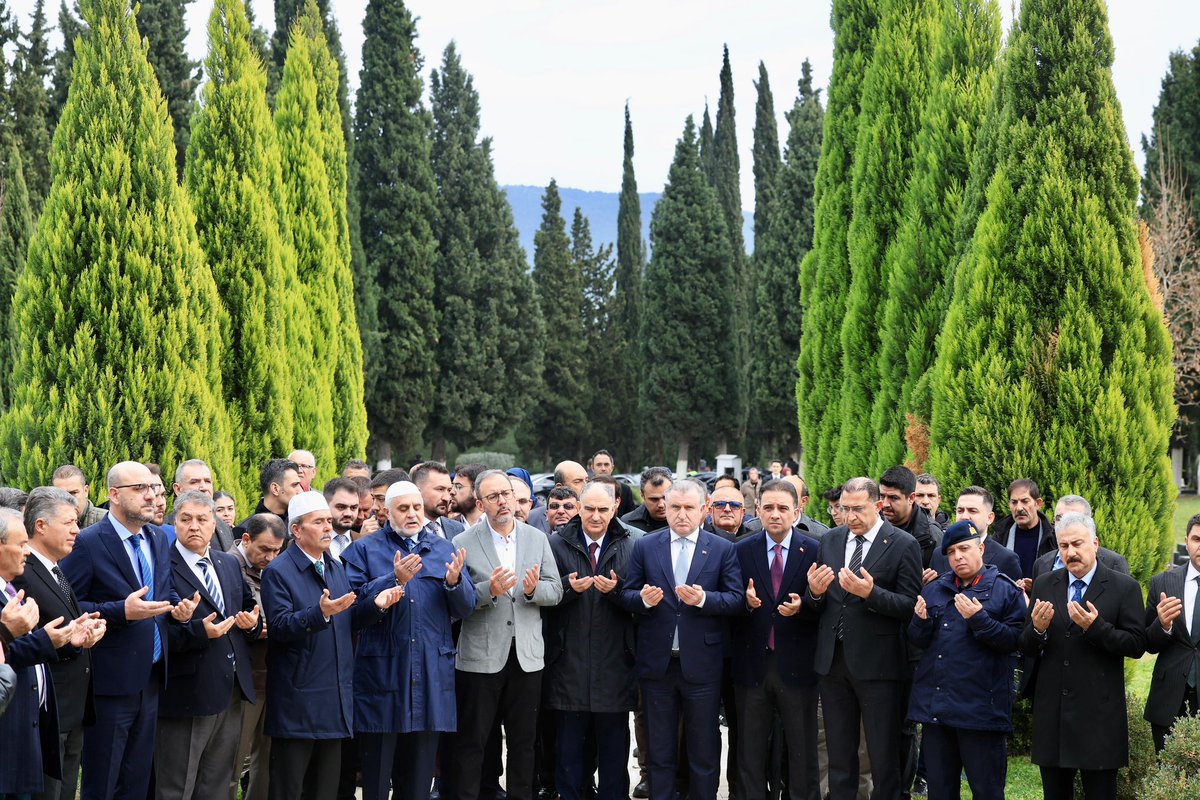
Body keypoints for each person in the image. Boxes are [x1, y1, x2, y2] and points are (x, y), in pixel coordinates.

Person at [62, 461, 201, 800]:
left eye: (153, 488)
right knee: (104, 779)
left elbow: (160, 590)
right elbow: (67, 606)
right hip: (109, 682)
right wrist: (120, 612)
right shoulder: (89, 543)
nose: (151, 495)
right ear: (114, 495)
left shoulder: (156, 537)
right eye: (139, 489)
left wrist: (178, 609)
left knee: (138, 778)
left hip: (152, 676)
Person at [260, 491, 404, 800]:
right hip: (298, 702)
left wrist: (376, 605)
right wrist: (319, 613)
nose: (328, 527)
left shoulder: (334, 565)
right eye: (318, 522)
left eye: (328, 521)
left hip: (334, 701)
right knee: (289, 789)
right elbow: (281, 627)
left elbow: (346, 618)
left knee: (325, 789)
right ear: (296, 530)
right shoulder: (278, 571)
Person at [341, 481, 474, 800]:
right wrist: (392, 581)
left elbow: (467, 608)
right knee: (375, 779)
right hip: (383, 675)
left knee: (418, 780)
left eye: (416, 507)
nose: (412, 514)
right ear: (386, 512)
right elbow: (351, 615)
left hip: (429, 675)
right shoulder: (363, 550)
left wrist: (455, 583)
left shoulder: (444, 548)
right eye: (403, 508)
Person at [618, 479, 744, 800]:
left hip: (702, 665)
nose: (682, 515)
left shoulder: (722, 549)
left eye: (690, 508)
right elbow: (627, 595)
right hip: (657, 665)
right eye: (675, 507)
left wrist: (704, 599)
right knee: (659, 748)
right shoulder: (646, 545)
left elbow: (735, 600)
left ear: (704, 510)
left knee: (703, 747)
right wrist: (643, 599)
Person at [805, 477, 922, 800]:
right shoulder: (830, 540)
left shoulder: (901, 544)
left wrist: (871, 593)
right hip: (833, 662)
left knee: (883, 754)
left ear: (878, 505)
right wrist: (813, 593)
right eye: (845, 509)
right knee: (839, 754)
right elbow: (820, 602)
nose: (850, 516)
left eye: (858, 509)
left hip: (879, 665)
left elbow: (910, 606)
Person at [452, 470, 563, 800]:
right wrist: (489, 590)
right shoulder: (462, 542)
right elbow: (457, 599)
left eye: (506, 494)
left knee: (523, 742)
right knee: (473, 741)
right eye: (493, 497)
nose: (502, 502)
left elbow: (555, 590)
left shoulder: (536, 538)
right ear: (480, 503)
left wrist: (532, 591)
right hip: (480, 656)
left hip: (527, 657)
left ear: (517, 498)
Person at [1020, 512, 1146, 800]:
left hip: (1099, 718)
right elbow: (1025, 645)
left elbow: (1137, 645)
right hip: (1053, 716)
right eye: (1063, 546)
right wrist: (1037, 630)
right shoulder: (1045, 584)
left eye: (1077, 544)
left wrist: (1096, 628)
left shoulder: (1123, 587)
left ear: (1095, 543)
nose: (1071, 552)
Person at [907, 521, 1025, 800]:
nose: (958, 556)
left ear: (980, 549)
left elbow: (1017, 641)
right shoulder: (935, 589)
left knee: (986, 791)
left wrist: (979, 620)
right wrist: (920, 623)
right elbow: (917, 641)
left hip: (981, 712)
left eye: (964, 549)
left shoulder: (1004, 590)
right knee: (941, 791)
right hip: (938, 711)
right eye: (951, 552)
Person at [157, 492, 262, 800]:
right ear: (174, 522)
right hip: (186, 692)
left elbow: (245, 608)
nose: (194, 526)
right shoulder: (162, 565)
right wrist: (197, 632)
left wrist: (252, 623)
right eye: (186, 519)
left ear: (214, 524)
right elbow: (155, 632)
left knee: (217, 784)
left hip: (230, 688)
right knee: (176, 785)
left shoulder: (227, 563)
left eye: (202, 519)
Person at [15, 488, 108, 800]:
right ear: (41, 525)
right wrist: (71, 640)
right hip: (45, 710)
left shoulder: (55, 569)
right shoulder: (23, 572)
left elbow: (61, 629)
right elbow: (26, 640)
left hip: (72, 708)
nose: (77, 530)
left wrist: (82, 634)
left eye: (78, 522)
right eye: (69, 523)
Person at [731, 480, 821, 800]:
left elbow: (825, 607)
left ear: (797, 511)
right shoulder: (741, 550)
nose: (775, 514)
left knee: (802, 750)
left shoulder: (814, 549)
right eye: (768, 507)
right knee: (750, 752)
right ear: (757, 510)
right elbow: (729, 602)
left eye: (783, 508)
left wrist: (808, 603)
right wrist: (745, 603)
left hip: (798, 666)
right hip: (752, 666)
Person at [545, 482, 636, 800]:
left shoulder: (634, 543)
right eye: (589, 509)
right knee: (569, 755)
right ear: (578, 508)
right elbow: (542, 602)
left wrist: (618, 593)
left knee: (613, 754)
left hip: (615, 665)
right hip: (568, 665)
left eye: (603, 509)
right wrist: (568, 591)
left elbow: (642, 602)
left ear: (615, 507)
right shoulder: (554, 544)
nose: (595, 516)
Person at [229, 515, 285, 800]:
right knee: (231, 762)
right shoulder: (228, 565)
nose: (271, 557)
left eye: (277, 550)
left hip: (270, 674)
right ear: (246, 539)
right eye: (265, 549)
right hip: (241, 680)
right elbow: (258, 623)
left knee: (267, 759)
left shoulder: (273, 568)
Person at [1143, 512, 1200, 752]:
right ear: (1186, 541)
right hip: (1169, 698)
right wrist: (1163, 625)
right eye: (1197, 539)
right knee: (1167, 774)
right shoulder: (1162, 583)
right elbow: (1147, 642)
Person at [924, 486, 1022, 583]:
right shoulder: (939, 554)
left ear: (990, 518)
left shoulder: (1006, 559)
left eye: (972, 511)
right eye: (960, 511)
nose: (965, 516)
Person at [1030, 495, 1129, 579]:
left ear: (1088, 522)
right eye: (1059, 518)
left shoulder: (1113, 562)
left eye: (1073, 519)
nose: (1065, 524)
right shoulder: (1041, 564)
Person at [995, 479, 1055, 588]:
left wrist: (1037, 587)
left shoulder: (1052, 538)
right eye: (1014, 502)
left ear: (1038, 503)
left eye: (1025, 501)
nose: (1019, 508)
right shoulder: (1000, 536)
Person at [234, 459, 303, 539]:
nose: (300, 491)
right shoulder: (245, 529)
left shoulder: (299, 522)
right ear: (275, 489)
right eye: (294, 485)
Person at [412, 462, 467, 540]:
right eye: (440, 489)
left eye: (449, 490)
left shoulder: (457, 529)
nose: (447, 498)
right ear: (418, 491)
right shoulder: (406, 531)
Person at [528, 462, 588, 533]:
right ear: (559, 487)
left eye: (587, 480)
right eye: (577, 481)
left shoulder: (596, 516)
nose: (586, 486)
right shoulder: (532, 518)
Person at [621, 467, 672, 533]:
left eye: (665, 497)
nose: (661, 505)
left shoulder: (686, 521)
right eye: (654, 499)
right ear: (642, 495)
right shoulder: (627, 524)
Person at [322, 478, 361, 560]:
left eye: (353, 508)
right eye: (341, 507)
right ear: (325, 505)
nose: (348, 513)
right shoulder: (309, 541)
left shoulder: (364, 543)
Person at [591, 450, 637, 518]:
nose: (603, 468)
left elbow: (631, 517)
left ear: (612, 467)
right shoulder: (586, 489)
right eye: (599, 465)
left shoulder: (625, 490)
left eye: (606, 464)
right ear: (592, 468)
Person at [783, 476, 830, 540]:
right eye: (778, 492)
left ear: (803, 501)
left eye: (791, 494)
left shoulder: (822, 534)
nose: (782, 498)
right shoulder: (765, 528)